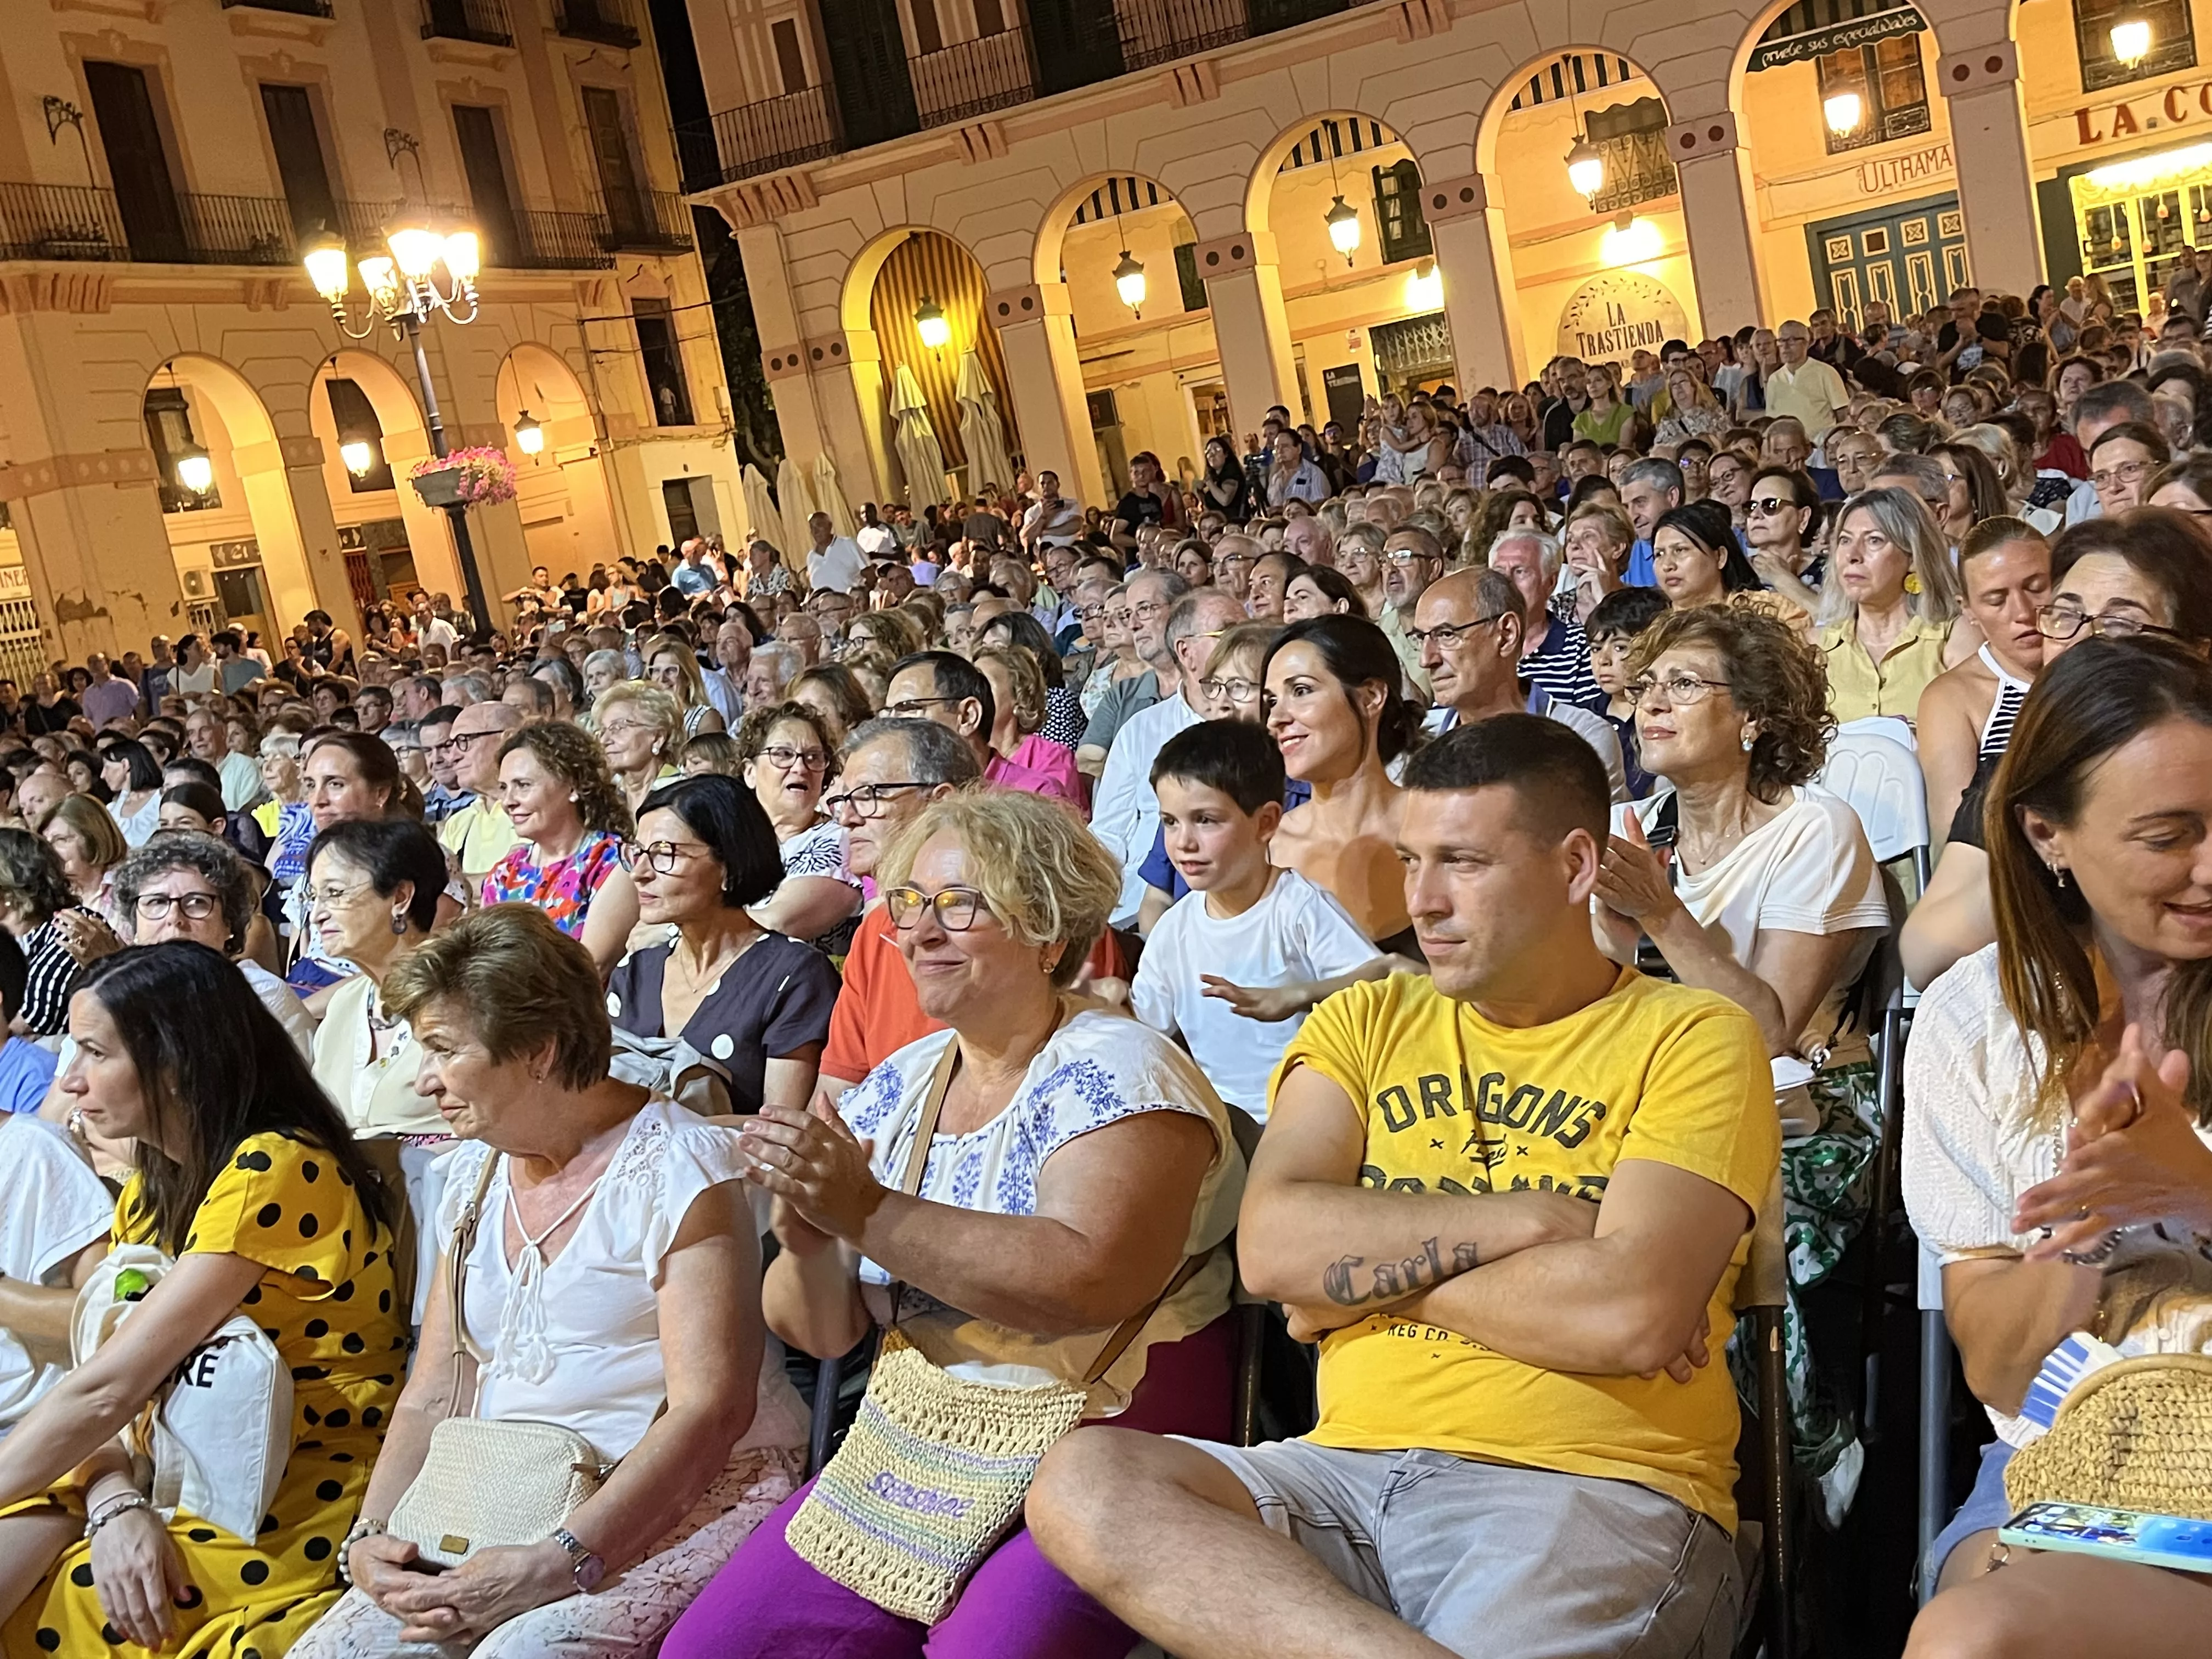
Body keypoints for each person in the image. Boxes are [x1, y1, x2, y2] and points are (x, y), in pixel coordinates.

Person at [1025, 715, 1777, 1658]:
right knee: (1085, 1478)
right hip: (1336, 1474)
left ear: (1576, 863)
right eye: (1410, 859)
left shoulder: (1691, 1035)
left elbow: (1629, 1312)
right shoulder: (1366, 1017)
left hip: (1586, 1486)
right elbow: (1272, 1250)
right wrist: (1536, 1221)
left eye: (1461, 860)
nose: (1421, 899)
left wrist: (1363, 1274)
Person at [660, 788, 1243, 1659]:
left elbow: (1087, 1282)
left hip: (1105, 1433)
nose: (922, 933)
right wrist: (812, 1237)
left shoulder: (1122, 1074)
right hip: (921, 1431)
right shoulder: (903, 1080)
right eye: (909, 905)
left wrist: (865, 1208)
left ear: (1048, 933)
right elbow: (821, 1332)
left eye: (960, 905)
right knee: (711, 1651)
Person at [307, 905, 806, 1659]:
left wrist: (561, 1560)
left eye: (444, 1049)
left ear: (538, 1051)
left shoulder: (678, 1167)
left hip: (683, 1490)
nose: (424, 1078)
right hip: (504, 1489)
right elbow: (436, 1388)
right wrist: (375, 1536)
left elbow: (711, 1410)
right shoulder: (471, 1169)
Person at [1903, 639, 2212, 1657]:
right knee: (1971, 1627)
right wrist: (2084, 1222)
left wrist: (2194, 1189)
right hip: (2069, 1445)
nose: (2211, 866)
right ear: (2048, 835)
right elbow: (1996, 1364)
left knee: (1978, 1635)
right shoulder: (1973, 1019)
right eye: (2170, 835)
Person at [0, 943, 403, 1656]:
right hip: (157, 1467)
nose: (70, 1078)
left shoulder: (275, 1166)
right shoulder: (155, 1189)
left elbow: (108, 1387)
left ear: (174, 1062)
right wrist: (113, 1501)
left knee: (66, 1608)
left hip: (279, 1493)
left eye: (95, 1053)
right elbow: (111, 1385)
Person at [1901, 507, 2212, 988]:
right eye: (2066, 616)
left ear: (2198, 649)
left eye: (2120, 624)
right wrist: (2052, 848)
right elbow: (1927, 952)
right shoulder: (2026, 762)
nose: (2079, 645)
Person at [1130, 720, 1384, 1120]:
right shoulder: (1174, 931)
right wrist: (1102, 1003)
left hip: (1314, 1113)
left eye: (1207, 820)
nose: (1183, 842)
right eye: (1170, 822)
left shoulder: (1297, 908)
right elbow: (1147, 1026)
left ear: (1265, 823)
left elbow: (1381, 982)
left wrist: (1299, 994)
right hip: (1221, 1119)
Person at [608, 774, 840, 1113]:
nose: (639, 873)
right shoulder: (636, 972)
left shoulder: (794, 977)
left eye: (663, 854)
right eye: (637, 853)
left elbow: (779, 1131)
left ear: (728, 865)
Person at [302, 817, 451, 1305]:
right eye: (314, 898)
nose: (318, 913)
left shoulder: (464, 994)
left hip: (444, 1243)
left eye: (335, 893)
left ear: (401, 896)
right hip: (354, 1245)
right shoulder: (346, 1006)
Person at [816, 718, 983, 1093]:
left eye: (870, 795)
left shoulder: (1034, 919)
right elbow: (834, 1099)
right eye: (844, 800)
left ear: (943, 802)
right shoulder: (875, 933)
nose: (847, 818)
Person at [1092, 590, 1250, 924]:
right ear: (1186, 652)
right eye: (1228, 632)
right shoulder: (1142, 730)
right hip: (1139, 909)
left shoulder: (1266, 729)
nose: (1243, 642)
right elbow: (1108, 833)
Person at [1264, 617, 1420, 953]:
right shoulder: (1265, 848)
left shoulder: (1440, 828)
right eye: (1272, 700)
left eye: (1301, 691)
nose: (1276, 719)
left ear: (1371, 697)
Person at [1415, 567, 1628, 799]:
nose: (1426, 660)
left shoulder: (1582, 738)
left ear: (1506, 634)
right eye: (1420, 638)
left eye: (1446, 635)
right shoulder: (1415, 741)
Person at [114, 829, 317, 1054]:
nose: (174, 918)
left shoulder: (265, 1001)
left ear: (229, 922)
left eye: (196, 902)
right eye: (157, 902)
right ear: (135, 925)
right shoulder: (114, 999)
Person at [1915, 518, 2051, 842]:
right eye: (1996, 600)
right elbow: (1958, 839)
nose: (2023, 611)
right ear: (1969, 610)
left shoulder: (2097, 667)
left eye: (2036, 588)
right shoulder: (1953, 699)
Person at [484, 720, 637, 969]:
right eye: (504, 788)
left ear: (573, 787)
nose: (508, 801)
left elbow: (591, 968)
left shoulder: (611, 861)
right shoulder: (504, 874)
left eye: (523, 785)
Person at [1818, 486, 1970, 725]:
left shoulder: (1953, 637)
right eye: (1845, 541)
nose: (1853, 555)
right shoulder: (1817, 648)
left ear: (1913, 557)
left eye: (1874, 540)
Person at [735, 701, 864, 949]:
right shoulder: (732, 843)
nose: (800, 767)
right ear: (749, 772)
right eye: (783, 755)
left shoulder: (839, 842)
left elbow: (773, 925)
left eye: (813, 757)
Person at [594, 680, 685, 819]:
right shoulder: (605, 797)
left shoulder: (683, 794)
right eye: (602, 731)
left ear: (658, 738)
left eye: (618, 728)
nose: (604, 740)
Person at [42, 791, 125, 928]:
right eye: (46, 842)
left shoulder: (126, 888)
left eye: (60, 840)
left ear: (93, 838)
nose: (50, 850)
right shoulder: (50, 895)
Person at [648, 637, 730, 740]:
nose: (662, 678)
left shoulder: (706, 717)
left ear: (688, 678)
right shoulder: (645, 716)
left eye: (671, 670)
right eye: (656, 671)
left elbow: (706, 756)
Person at [101, 737, 164, 848]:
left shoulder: (161, 800)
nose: (103, 775)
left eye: (107, 767)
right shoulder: (111, 809)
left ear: (125, 765)